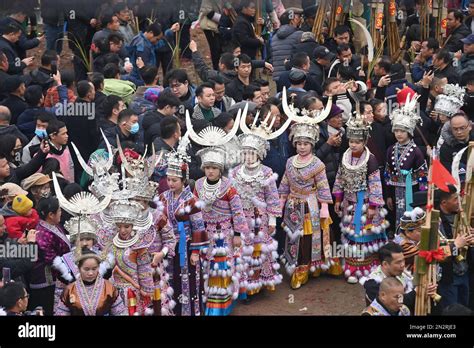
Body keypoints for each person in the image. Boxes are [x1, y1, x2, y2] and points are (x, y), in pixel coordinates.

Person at [187, 115, 249, 315]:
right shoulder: (197, 185)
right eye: (207, 168)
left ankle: (221, 305)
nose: (211, 171)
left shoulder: (228, 187)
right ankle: (211, 303)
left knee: (222, 267)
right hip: (205, 234)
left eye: (214, 168)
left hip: (224, 234)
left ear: (220, 168)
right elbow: (195, 210)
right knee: (208, 268)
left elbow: (238, 211)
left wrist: (238, 234)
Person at [230, 105, 291, 296]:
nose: (248, 157)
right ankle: (244, 286)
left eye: (252, 153)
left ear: (259, 154)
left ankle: (259, 282)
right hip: (241, 219)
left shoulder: (266, 173)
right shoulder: (234, 172)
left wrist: (273, 220)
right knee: (244, 250)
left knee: (260, 249)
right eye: (246, 153)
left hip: (261, 219)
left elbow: (273, 198)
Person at [279, 95, 336, 289]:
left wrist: (325, 208)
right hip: (292, 205)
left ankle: (309, 267)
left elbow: (323, 186)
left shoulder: (317, 164)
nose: (302, 147)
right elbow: (285, 182)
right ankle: (297, 266)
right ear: (294, 143)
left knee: (309, 238)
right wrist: (281, 201)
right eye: (299, 143)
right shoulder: (289, 162)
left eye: (306, 143)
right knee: (294, 237)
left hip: (310, 205)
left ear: (312, 144)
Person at [332, 105, 389, 284]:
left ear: (364, 142)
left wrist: (373, 206)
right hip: (349, 202)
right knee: (351, 237)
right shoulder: (345, 157)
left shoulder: (370, 160)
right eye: (351, 141)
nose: (353, 144)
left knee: (364, 237)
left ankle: (366, 269)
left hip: (365, 203)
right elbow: (340, 178)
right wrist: (338, 199)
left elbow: (375, 184)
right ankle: (352, 267)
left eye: (357, 142)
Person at [158, 137, 209, 315]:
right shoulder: (164, 196)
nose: (170, 184)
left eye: (174, 180)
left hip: (186, 247)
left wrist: (196, 252)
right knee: (171, 282)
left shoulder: (191, 200)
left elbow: (198, 227)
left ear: (184, 180)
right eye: (168, 179)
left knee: (188, 282)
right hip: (168, 246)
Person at [385, 90, 428, 225]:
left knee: (411, 218)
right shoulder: (391, 149)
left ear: (409, 132)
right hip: (395, 190)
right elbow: (387, 173)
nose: (399, 134)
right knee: (396, 217)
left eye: (402, 131)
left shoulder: (416, 151)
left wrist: (421, 198)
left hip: (412, 190)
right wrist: (388, 195)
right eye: (396, 130)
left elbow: (423, 176)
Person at [28, 196, 71, 315]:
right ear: (51, 215)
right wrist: (71, 276)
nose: (61, 213)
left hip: (56, 276)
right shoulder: (42, 235)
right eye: (59, 210)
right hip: (45, 282)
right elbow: (52, 260)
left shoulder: (53, 226)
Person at [55, 248, 127, 316]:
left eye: (94, 269)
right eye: (86, 269)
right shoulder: (69, 290)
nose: (90, 273)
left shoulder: (109, 288)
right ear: (79, 268)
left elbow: (120, 313)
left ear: (98, 267)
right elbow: (61, 313)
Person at [271, 7, 303, 81]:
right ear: (292, 20)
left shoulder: (274, 37)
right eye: (298, 17)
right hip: (294, 77)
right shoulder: (299, 35)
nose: (300, 20)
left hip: (278, 77)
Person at [393, 207, 426, 273]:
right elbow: (424, 256)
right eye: (420, 230)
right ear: (408, 232)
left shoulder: (409, 240)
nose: (424, 233)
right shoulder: (403, 245)